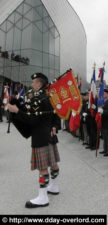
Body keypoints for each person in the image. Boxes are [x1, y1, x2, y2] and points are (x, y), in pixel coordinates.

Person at [7, 73, 61, 208]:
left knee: (42, 168)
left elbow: (33, 120)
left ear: (39, 83)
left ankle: (43, 197)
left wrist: (16, 111)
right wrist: (54, 126)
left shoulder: (39, 98)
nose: (32, 85)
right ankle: (54, 186)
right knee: (53, 163)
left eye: (34, 82)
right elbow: (55, 113)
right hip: (50, 135)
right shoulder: (49, 96)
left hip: (41, 136)